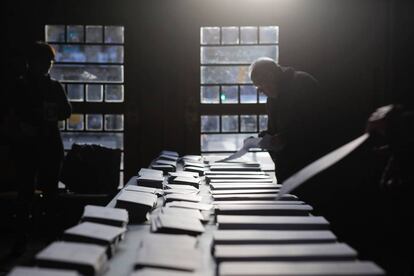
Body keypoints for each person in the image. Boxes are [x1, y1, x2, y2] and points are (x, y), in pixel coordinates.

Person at [4, 41, 71, 255]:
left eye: (49, 62)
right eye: (43, 61)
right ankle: (26, 238)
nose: (46, 66)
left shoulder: (51, 87)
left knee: (47, 194)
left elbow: (67, 111)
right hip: (30, 144)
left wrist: (51, 111)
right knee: (27, 194)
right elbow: (9, 114)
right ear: (31, 62)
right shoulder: (20, 86)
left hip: (45, 144)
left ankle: (43, 238)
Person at [248, 57, 327, 182]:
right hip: (286, 170)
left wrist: (285, 138)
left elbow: (317, 125)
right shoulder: (272, 99)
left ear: (271, 75)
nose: (260, 91)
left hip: (309, 167)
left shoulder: (303, 84)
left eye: (261, 85)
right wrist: (263, 138)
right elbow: (274, 131)